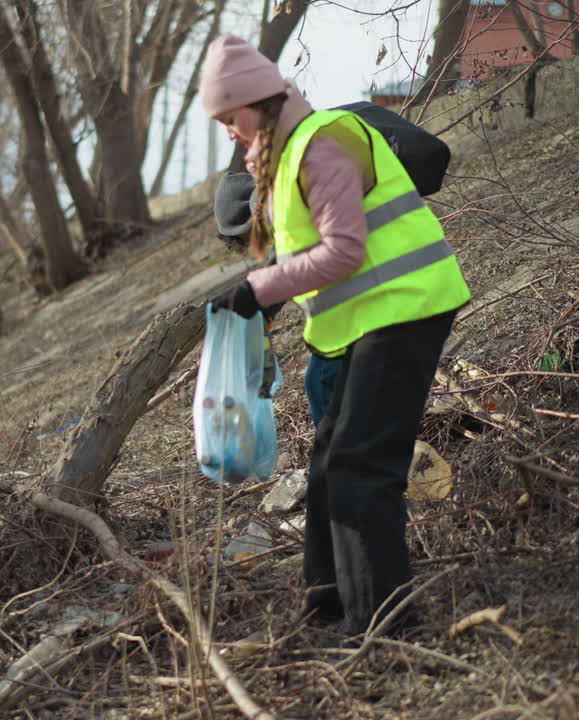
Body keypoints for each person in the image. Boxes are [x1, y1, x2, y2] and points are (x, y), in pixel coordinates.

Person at [201, 35, 472, 642]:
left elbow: (344, 250)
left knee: (359, 467)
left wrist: (260, 289)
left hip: (406, 309)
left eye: (229, 118)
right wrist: (258, 303)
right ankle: (326, 607)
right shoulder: (289, 151)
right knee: (328, 466)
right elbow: (305, 252)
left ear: (259, 103)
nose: (227, 132)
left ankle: (386, 626)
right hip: (369, 320)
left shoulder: (321, 144)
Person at [214, 171, 340, 428]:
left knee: (320, 381)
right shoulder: (282, 199)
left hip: (353, 314)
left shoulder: (271, 206)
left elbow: (285, 262)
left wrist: (255, 304)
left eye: (242, 241)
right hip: (356, 308)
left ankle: (340, 459)